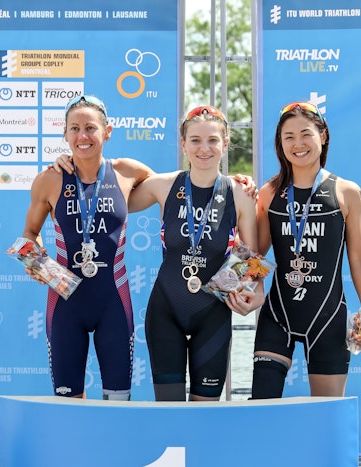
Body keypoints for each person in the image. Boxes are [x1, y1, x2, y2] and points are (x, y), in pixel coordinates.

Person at [126, 105, 265, 401]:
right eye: (195, 140)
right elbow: (115, 198)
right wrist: (75, 165)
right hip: (165, 312)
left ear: (225, 144)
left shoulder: (240, 194)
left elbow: (251, 259)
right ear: (183, 143)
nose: (204, 148)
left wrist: (258, 292)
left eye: (213, 140)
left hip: (213, 315)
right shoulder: (163, 185)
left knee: (206, 413)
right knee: (169, 410)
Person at [21, 94, 154, 400]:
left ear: (107, 131)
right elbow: (30, 233)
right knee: (68, 402)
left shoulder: (126, 171)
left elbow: (175, 187)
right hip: (65, 301)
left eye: (91, 128)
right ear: (65, 134)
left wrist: (236, 184)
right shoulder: (49, 179)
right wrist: (35, 262)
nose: (83, 136)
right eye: (75, 129)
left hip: (114, 301)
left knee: (118, 401)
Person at [251, 101, 361, 399]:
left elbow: (359, 259)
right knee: (261, 407)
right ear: (280, 144)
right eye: (289, 137)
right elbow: (255, 256)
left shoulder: (346, 192)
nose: (298, 144)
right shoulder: (269, 193)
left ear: (323, 135)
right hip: (278, 315)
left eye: (306, 134)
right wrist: (242, 197)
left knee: (326, 414)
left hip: (328, 318)